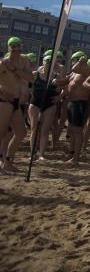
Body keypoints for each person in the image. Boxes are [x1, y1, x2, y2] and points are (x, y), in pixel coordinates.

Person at [0, 37, 33, 172]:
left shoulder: (23, 61)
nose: (15, 48)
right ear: (8, 48)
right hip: (3, 101)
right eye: (12, 46)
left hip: (15, 102)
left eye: (18, 46)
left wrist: (14, 70)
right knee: (1, 133)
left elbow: (31, 78)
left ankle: (7, 161)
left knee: (21, 132)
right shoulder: (3, 62)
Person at [29, 54, 65, 161]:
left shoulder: (56, 76)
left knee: (45, 130)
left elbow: (66, 87)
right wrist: (31, 95)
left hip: (49, 104)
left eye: (51, 62)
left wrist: (59, 97)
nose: (48, 64)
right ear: (43, 62)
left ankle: (41, 154)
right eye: (47, 61)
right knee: (34, 129)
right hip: (35, 103)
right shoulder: (35, 74)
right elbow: (24, 84)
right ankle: (32, 153)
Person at [64, 55, 90, 165]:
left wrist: (81, 61)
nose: (75, 62)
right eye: (74, 59)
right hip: (71, 102)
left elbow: (74, 68)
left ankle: (76, 157)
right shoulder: (75, 73)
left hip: (80, 103)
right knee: (72, 131)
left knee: (78, 131)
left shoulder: (88, 72)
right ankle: (72, 153)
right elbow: (67, 80)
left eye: (77, 60)